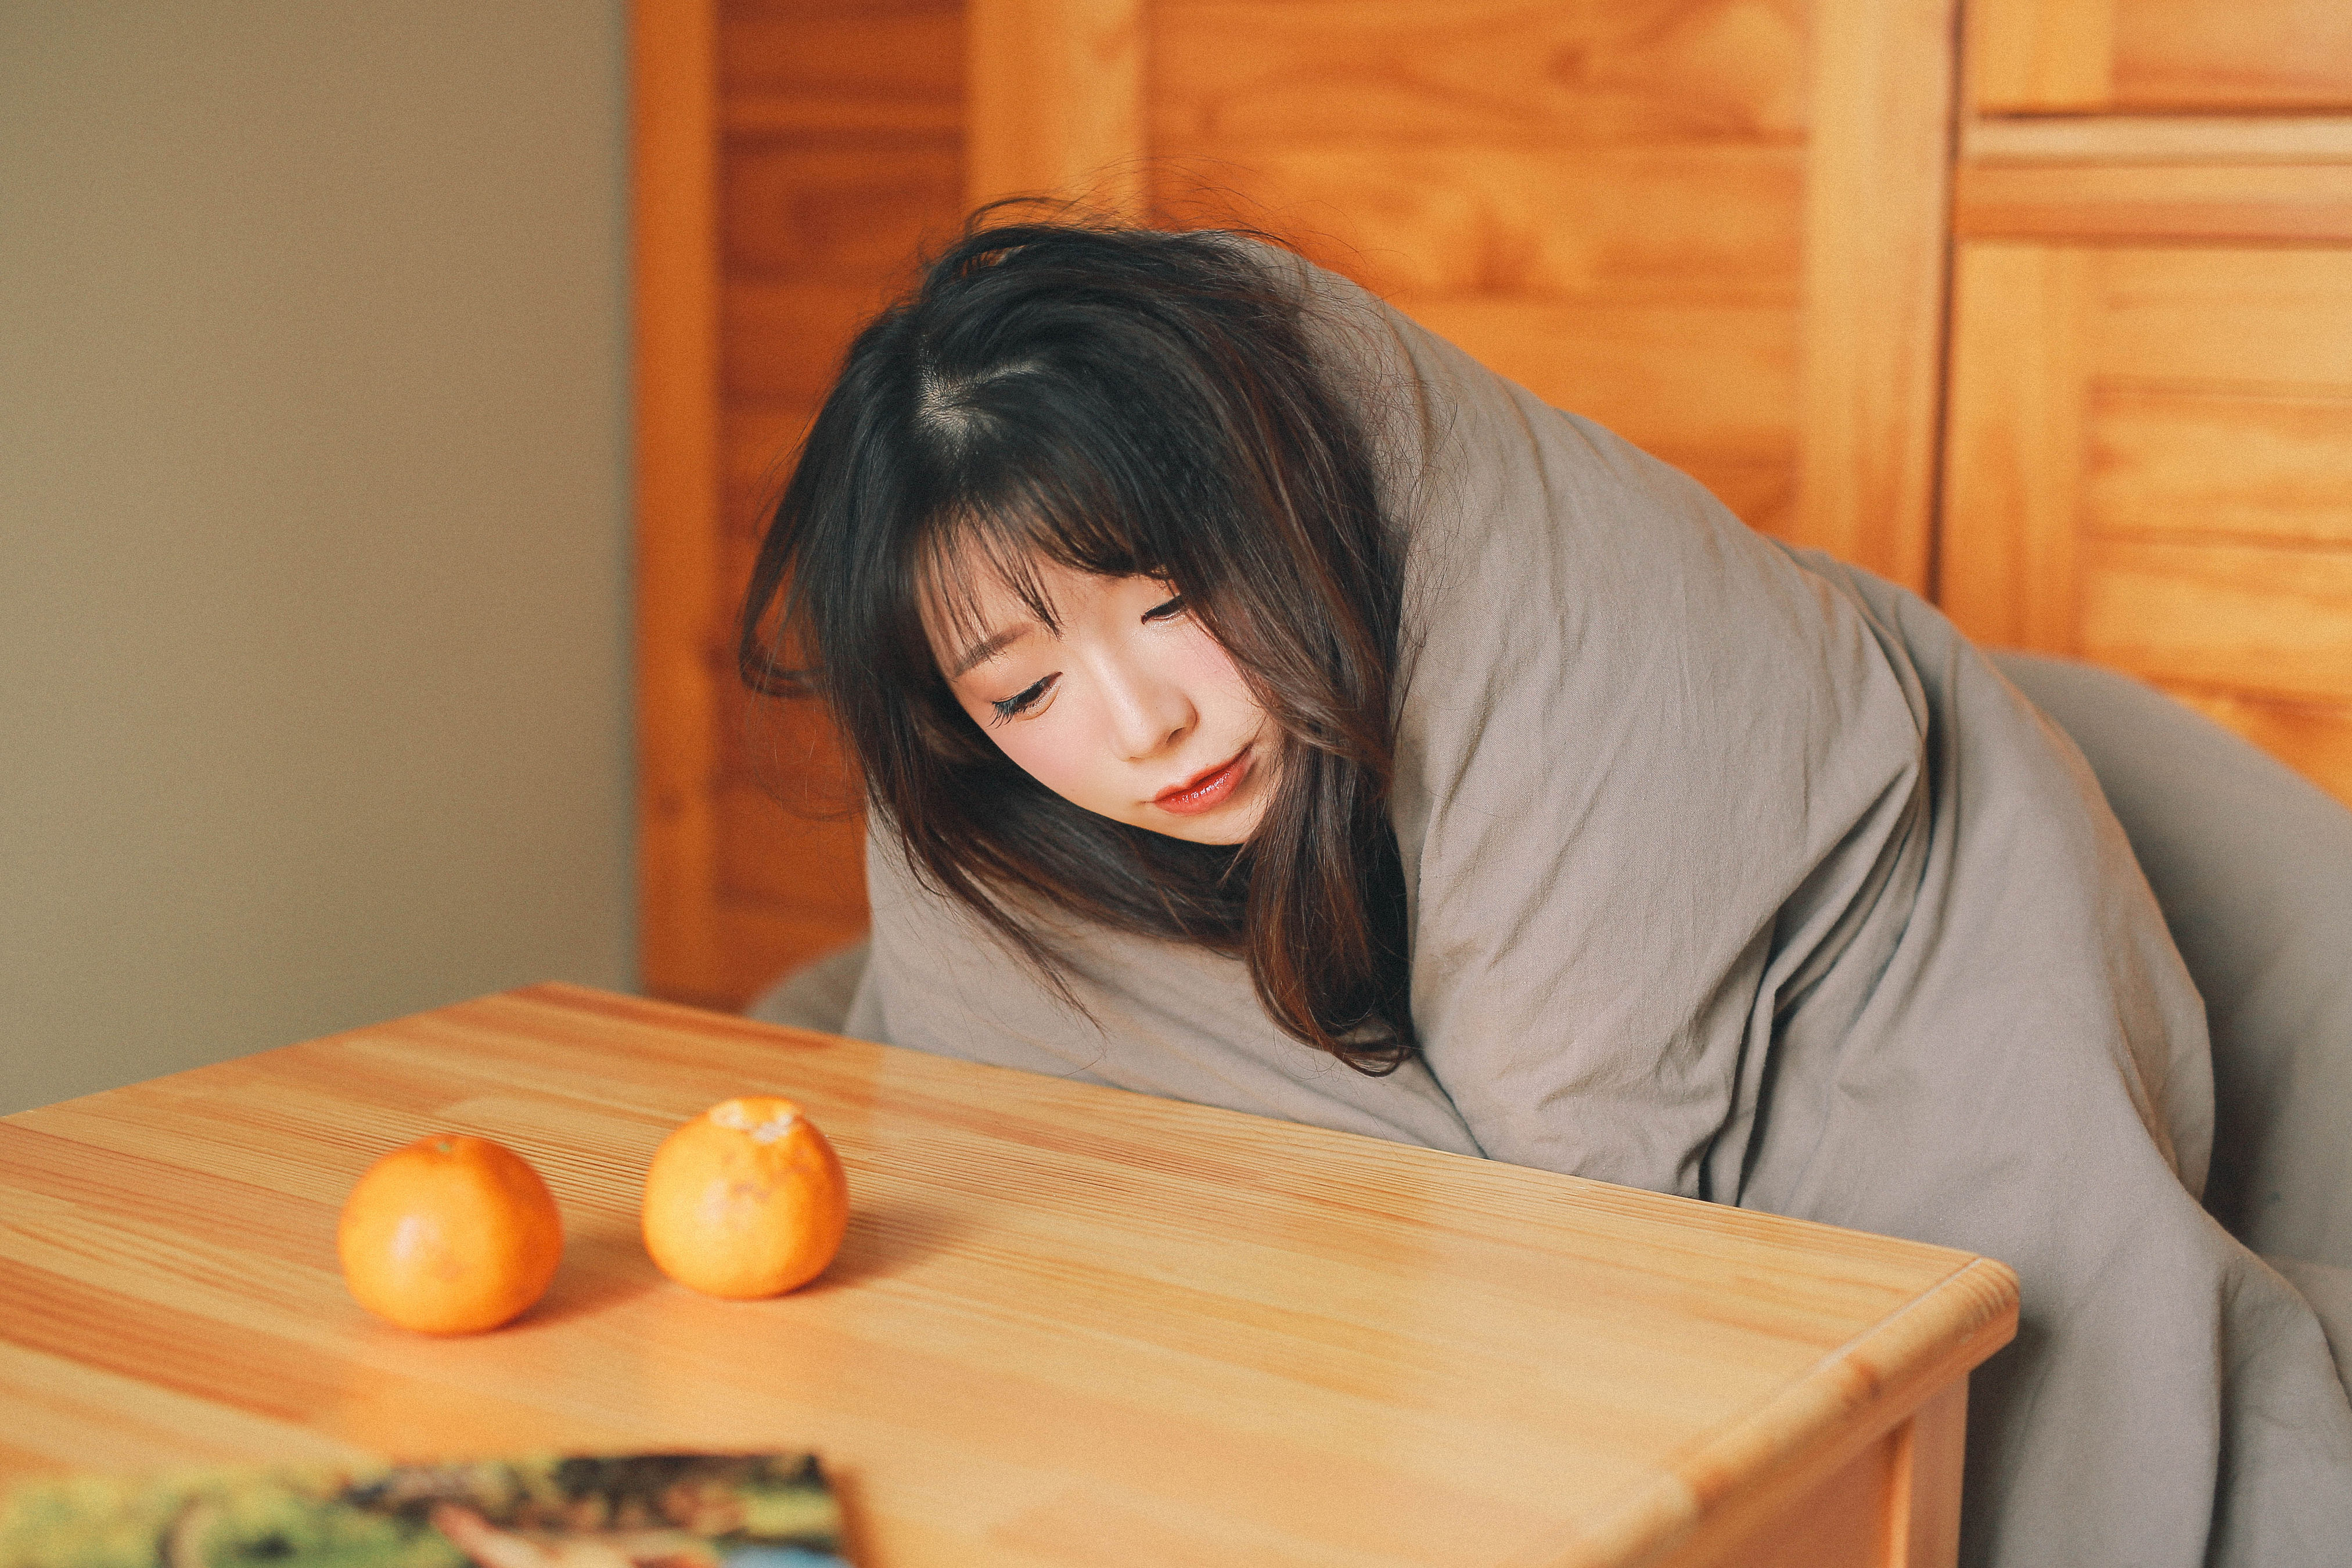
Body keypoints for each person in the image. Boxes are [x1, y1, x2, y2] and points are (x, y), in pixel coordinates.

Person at [738, 216, 2352, 1565]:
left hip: (1880, 867)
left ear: (1274, 512)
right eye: (1024, 695)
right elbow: (1025, 1101)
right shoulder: (1021, 821)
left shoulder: (1537, 616)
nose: (1142, 724)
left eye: (1168, 602)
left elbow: (1591, 1177)